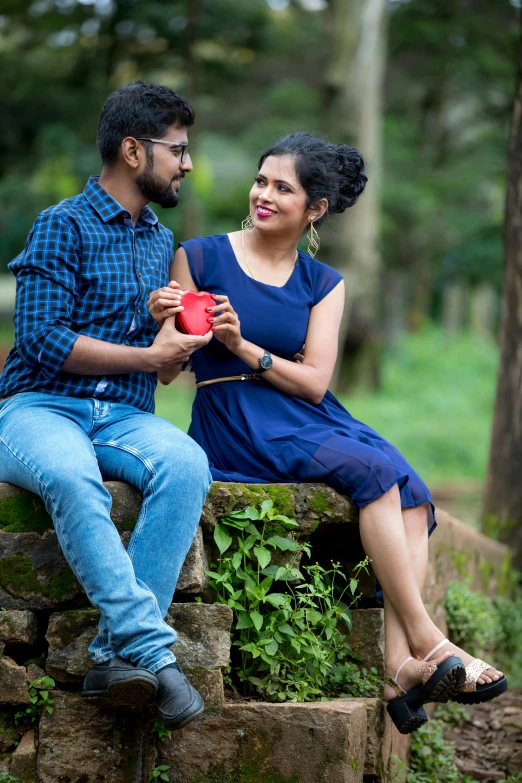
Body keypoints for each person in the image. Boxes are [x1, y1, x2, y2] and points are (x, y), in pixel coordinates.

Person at [147, 132, 507, 734]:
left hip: (304, 411)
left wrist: (245, 346)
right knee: (373, 473)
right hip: (233, 416)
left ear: (315, 209)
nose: (263, 194)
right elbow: (165, 372)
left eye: (282, 187)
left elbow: (315, 382)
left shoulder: (323, 282)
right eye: (262, 180)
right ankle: (428, 641)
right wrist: (165, 327)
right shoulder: (200, 256)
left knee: (411, 491)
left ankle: (399, 668)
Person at [0, 81, 214, 730]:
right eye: (177, 149)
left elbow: (167, 369)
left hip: (123, 414)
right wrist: (149, 356)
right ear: (132, 150)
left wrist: (181, 338)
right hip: (40, 407)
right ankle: (152, 651)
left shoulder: (160, 240)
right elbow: (40, 339)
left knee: (186, 466)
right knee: (73, 478)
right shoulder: (61, 224)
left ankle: (111, 657)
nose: (188, 163)